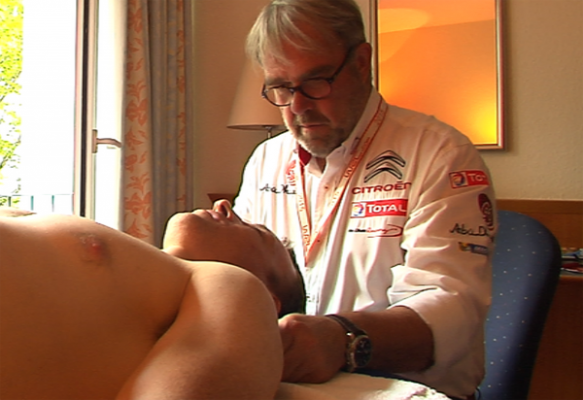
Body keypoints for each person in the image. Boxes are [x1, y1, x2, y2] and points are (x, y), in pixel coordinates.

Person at [232, 1, 496, 399]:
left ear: (361, 63)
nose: (299, 106)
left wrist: (341, 339)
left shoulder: (440, 154)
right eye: (282, 88)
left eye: (316, 80)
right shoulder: (266, 161)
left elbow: (451, 310)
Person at [0, 200, 304, 400]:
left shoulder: (232, 287)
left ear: (271, 300)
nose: (223, 205)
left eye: (258, 233)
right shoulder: (138, 266)